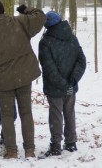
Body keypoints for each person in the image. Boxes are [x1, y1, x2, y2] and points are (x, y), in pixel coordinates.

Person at [0, 0, 46, 159]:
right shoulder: (19, 21)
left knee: (6, 116)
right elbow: (41, 17)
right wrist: (25, 9)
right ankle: (29, 151)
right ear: (3, 10)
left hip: (3, 79)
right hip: (24, 75)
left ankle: (11, 151)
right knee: (26, 113)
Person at [38, 11, 86, 158]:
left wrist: (64, 82)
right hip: (69, 85)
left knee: (56, 115)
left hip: (55, 87)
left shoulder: (45, 42)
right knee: (69, 112)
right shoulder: (71, 37)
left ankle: (55, 146)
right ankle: (71, 143)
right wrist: (72, 80)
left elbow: (48, 67)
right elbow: (81, 60)